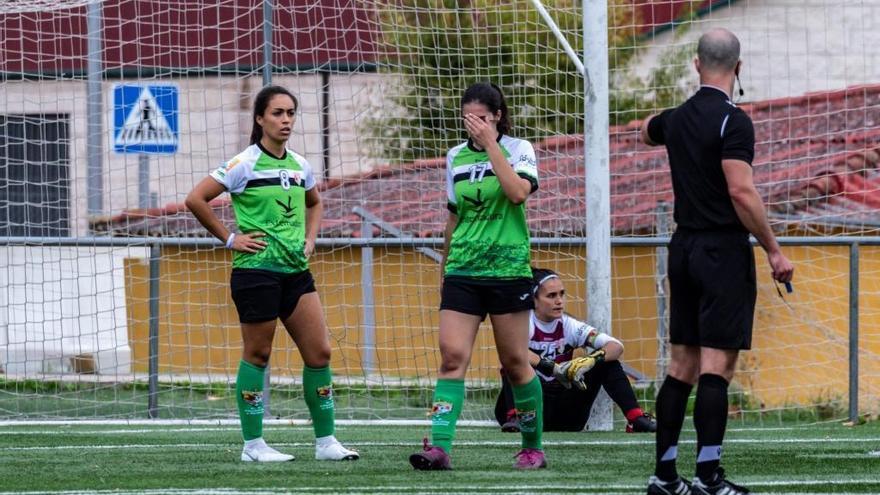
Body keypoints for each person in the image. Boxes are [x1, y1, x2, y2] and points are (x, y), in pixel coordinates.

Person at [641, 29, 794, 495]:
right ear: (739, 67)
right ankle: (709, 477)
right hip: (722, 251)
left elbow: (646, 130)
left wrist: (671, 122)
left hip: (682, 248)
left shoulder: (678, 117)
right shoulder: (735, 121)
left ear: (695, 64)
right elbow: (741, 190)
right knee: (715, 368)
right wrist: (773, 248)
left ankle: (665, 477)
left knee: (680, 365)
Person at [185, 85, 359, 463]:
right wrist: (230, 238)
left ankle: (326, 442)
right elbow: (196, 199)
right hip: (256, 272)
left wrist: (311, 238)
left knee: (320, 352)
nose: (285, 120)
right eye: (278, 113)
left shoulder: (300, 165)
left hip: (296, 273)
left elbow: (315, 202)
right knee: (259, 354)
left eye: (291, 113)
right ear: (260, 118)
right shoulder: (244, 163)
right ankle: (253, 446)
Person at [408, 82, 546, 470]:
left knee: (516, 362)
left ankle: (532, 447)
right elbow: (454, 216)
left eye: (482, 119)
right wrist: (445, 266)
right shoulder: (455, 156)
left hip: (507, 271)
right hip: (463, 271)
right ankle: (439, 447)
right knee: (452, 357)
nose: (475, 126)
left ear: (498, 116)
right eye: (469, 120)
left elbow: (517, 193)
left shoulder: (519, 149)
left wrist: (491, 145)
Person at [494, 268, 656, 434]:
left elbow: (616, 346)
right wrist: (553, 368)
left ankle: (636, 419)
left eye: (561, 294)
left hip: (566, 412)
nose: (559, 301)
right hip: (529, 403)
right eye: (551, 295)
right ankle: (516, 417)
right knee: (512, 362)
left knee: (608, 362)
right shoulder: (524, 322)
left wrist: (590, 360)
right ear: (533, 300)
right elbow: (512, 350)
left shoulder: (570, 325)